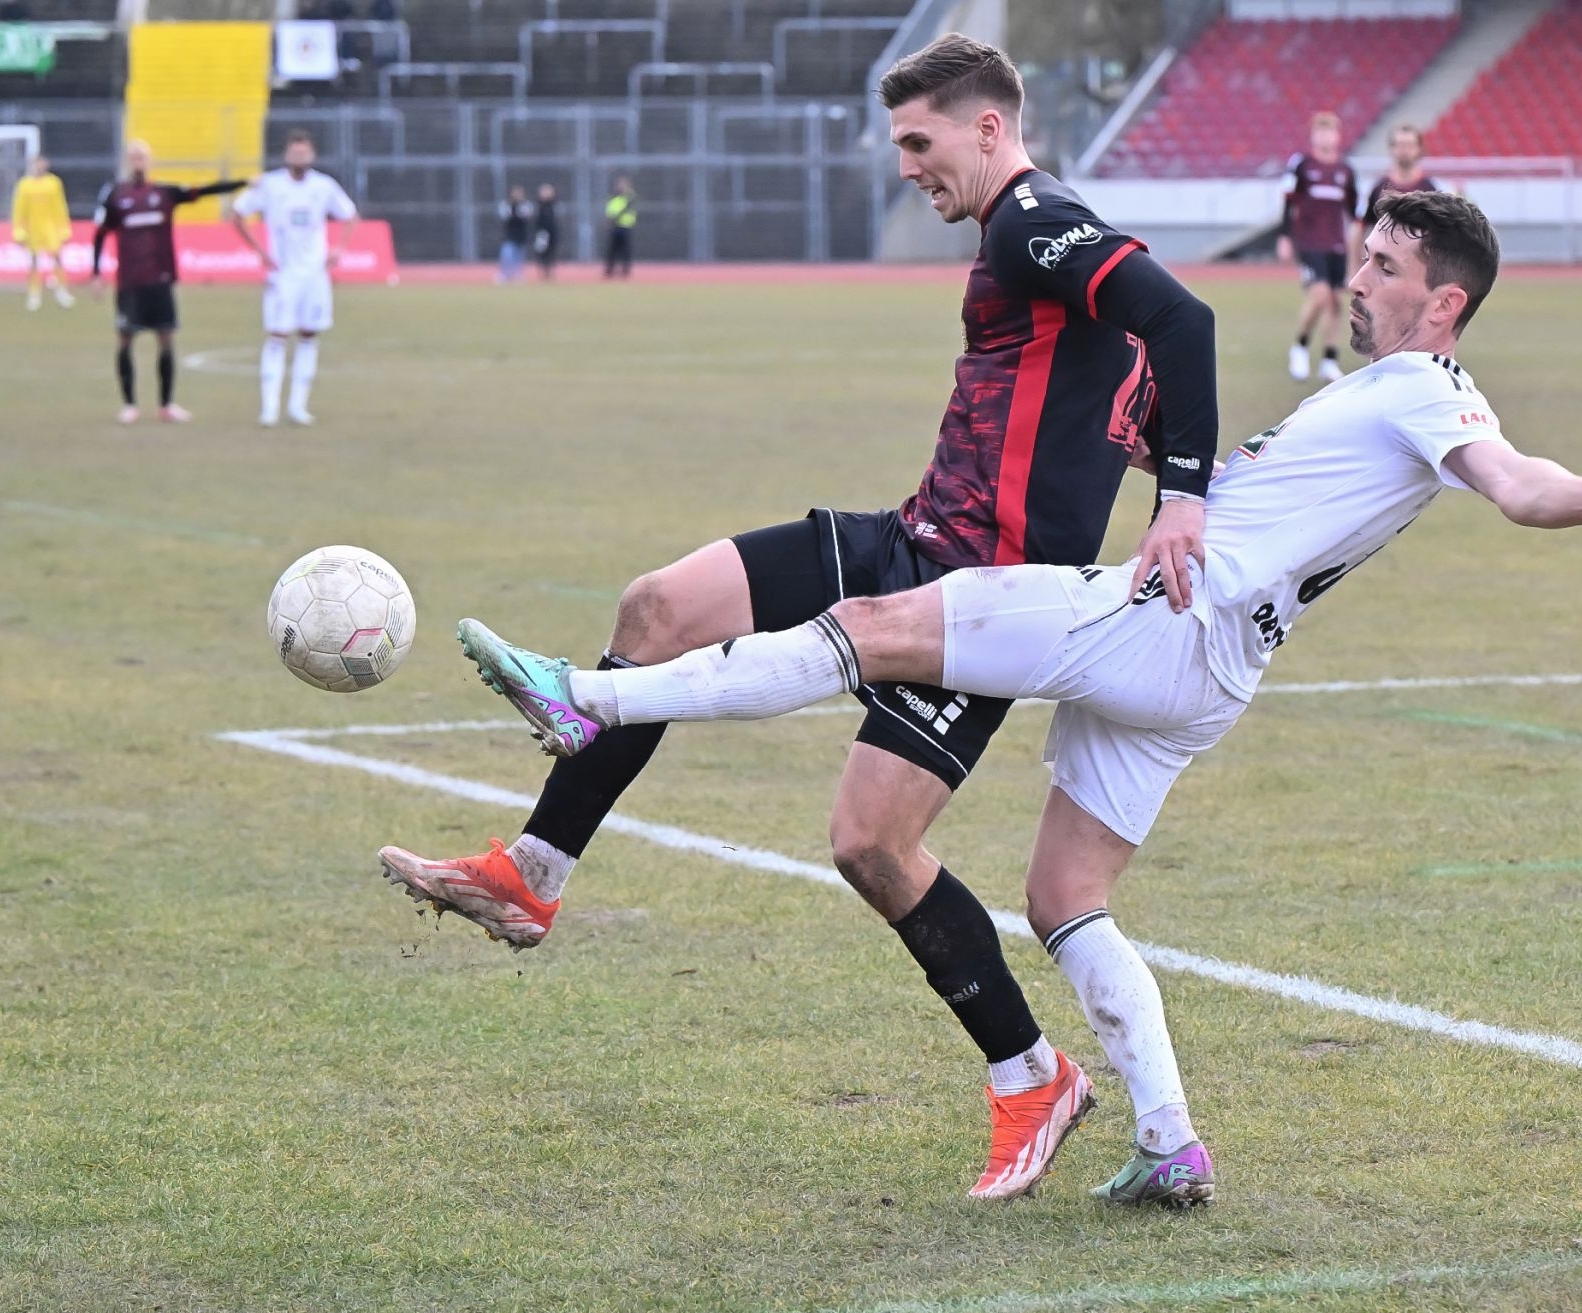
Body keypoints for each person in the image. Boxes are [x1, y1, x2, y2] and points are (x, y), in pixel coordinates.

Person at [444, 190, 1582, 1207]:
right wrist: (1159, 450)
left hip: (1162, 619)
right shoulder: (1372, 394)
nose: (1357, 278)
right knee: (1064, 894)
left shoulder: (1430, 389)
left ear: (1446, 301)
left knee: (876, 627)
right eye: (1364, 257)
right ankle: (1169, 1140)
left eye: (1383, 265)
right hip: (1212, 673)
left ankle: (590, 698)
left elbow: (1518, 480)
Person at [378, 32, 1224, 1203]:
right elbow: (1133, 374)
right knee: (659, 605)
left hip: (974, 605)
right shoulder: (1035, 241)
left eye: (920, 142)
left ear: (989, 127)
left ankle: (1033, 1076)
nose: (907, 167)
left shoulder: (1033, 220)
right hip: (908, 535)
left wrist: (1182, 498)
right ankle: (533, 871)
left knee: (870, 844)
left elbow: (1186, 320)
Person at [91, 140, 246, 425]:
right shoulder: (115, 195)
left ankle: (166, 405)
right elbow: (99, 235)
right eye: (134, 157)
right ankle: (129, 405)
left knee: (166, 338)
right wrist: (96, 273)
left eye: (142, 157)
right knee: (125, 339)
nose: (138, 161)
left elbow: (205, 190)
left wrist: (244, 183)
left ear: (150, 161)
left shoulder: (164, 193)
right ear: (127, 162)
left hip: (160, 280)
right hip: (130, 282)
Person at [229, 129, 358, 428]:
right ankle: (269, 408)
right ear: (286, 154)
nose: (299, 156)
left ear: (312, 155)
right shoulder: (270, 185)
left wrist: (339, 247)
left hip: (315, 275)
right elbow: (237, 213)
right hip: (283, 274)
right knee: (277, 336)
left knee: (309, 336)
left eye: (304, 152)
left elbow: (350, 215)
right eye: (294, 152)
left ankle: (298, 407)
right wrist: (260, 250)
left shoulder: (324, 186)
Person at [1277, 110, 1358, 384]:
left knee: (1336, 301)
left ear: (1338, 137)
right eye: (1320, 132)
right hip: (1309, 242)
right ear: (1313, 136)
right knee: (1320, 295)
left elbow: (1354, 211)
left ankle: (1329, 360)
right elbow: (1288, 201)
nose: (1325, 137)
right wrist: (1284, 236)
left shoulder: (1345, 171)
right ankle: (1299, 347)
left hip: (1337, 243)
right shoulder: (1301, 165)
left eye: (1329, 131)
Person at [1358, 123, 1440, 250]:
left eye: (1409, 145)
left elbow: (1439, 231)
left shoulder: (1430, 189)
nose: (1405, 150)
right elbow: (1361, 226)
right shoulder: (1379, 188)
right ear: (1392, 148)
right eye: (1400, 145)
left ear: (1419, 148)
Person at [11, 154, 75, 311]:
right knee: (34, 260)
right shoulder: (25, 185)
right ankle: (34, 293)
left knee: (57, 258)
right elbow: (19, 209)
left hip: (50, 226)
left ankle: (61, 291)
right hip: (33, 227)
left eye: (42, 163)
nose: (39, 166)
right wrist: (18, 230)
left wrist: (64, 228)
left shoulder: (53, 183)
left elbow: (60, 206)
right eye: (36, 163)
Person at [496, 184, 532, 283]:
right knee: (507, 256)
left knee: (519, 258)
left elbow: (526, 216)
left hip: (521, 236)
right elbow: (505, 217)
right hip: (509, 236)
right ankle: (504, 275)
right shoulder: (506, 205)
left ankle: (517, 275)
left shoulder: (525, 205)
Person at [603, 175, 635, 278]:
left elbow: (629, 206)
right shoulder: (614, 197)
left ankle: (625, 270)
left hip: (625, 226)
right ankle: (609, 270)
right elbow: (610, 210)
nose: (621, 186)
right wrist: (610, 220)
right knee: (612, 249)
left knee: (625, 250)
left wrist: (616, 217)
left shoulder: (630, 197)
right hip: (615, 227)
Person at [532, 182, 560, 281]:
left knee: (552, 253)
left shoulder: (554, 205)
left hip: (552, 232)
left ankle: (551, 273)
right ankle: (542, 274)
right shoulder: (538, 205)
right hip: (542, 233)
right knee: (542, 253)